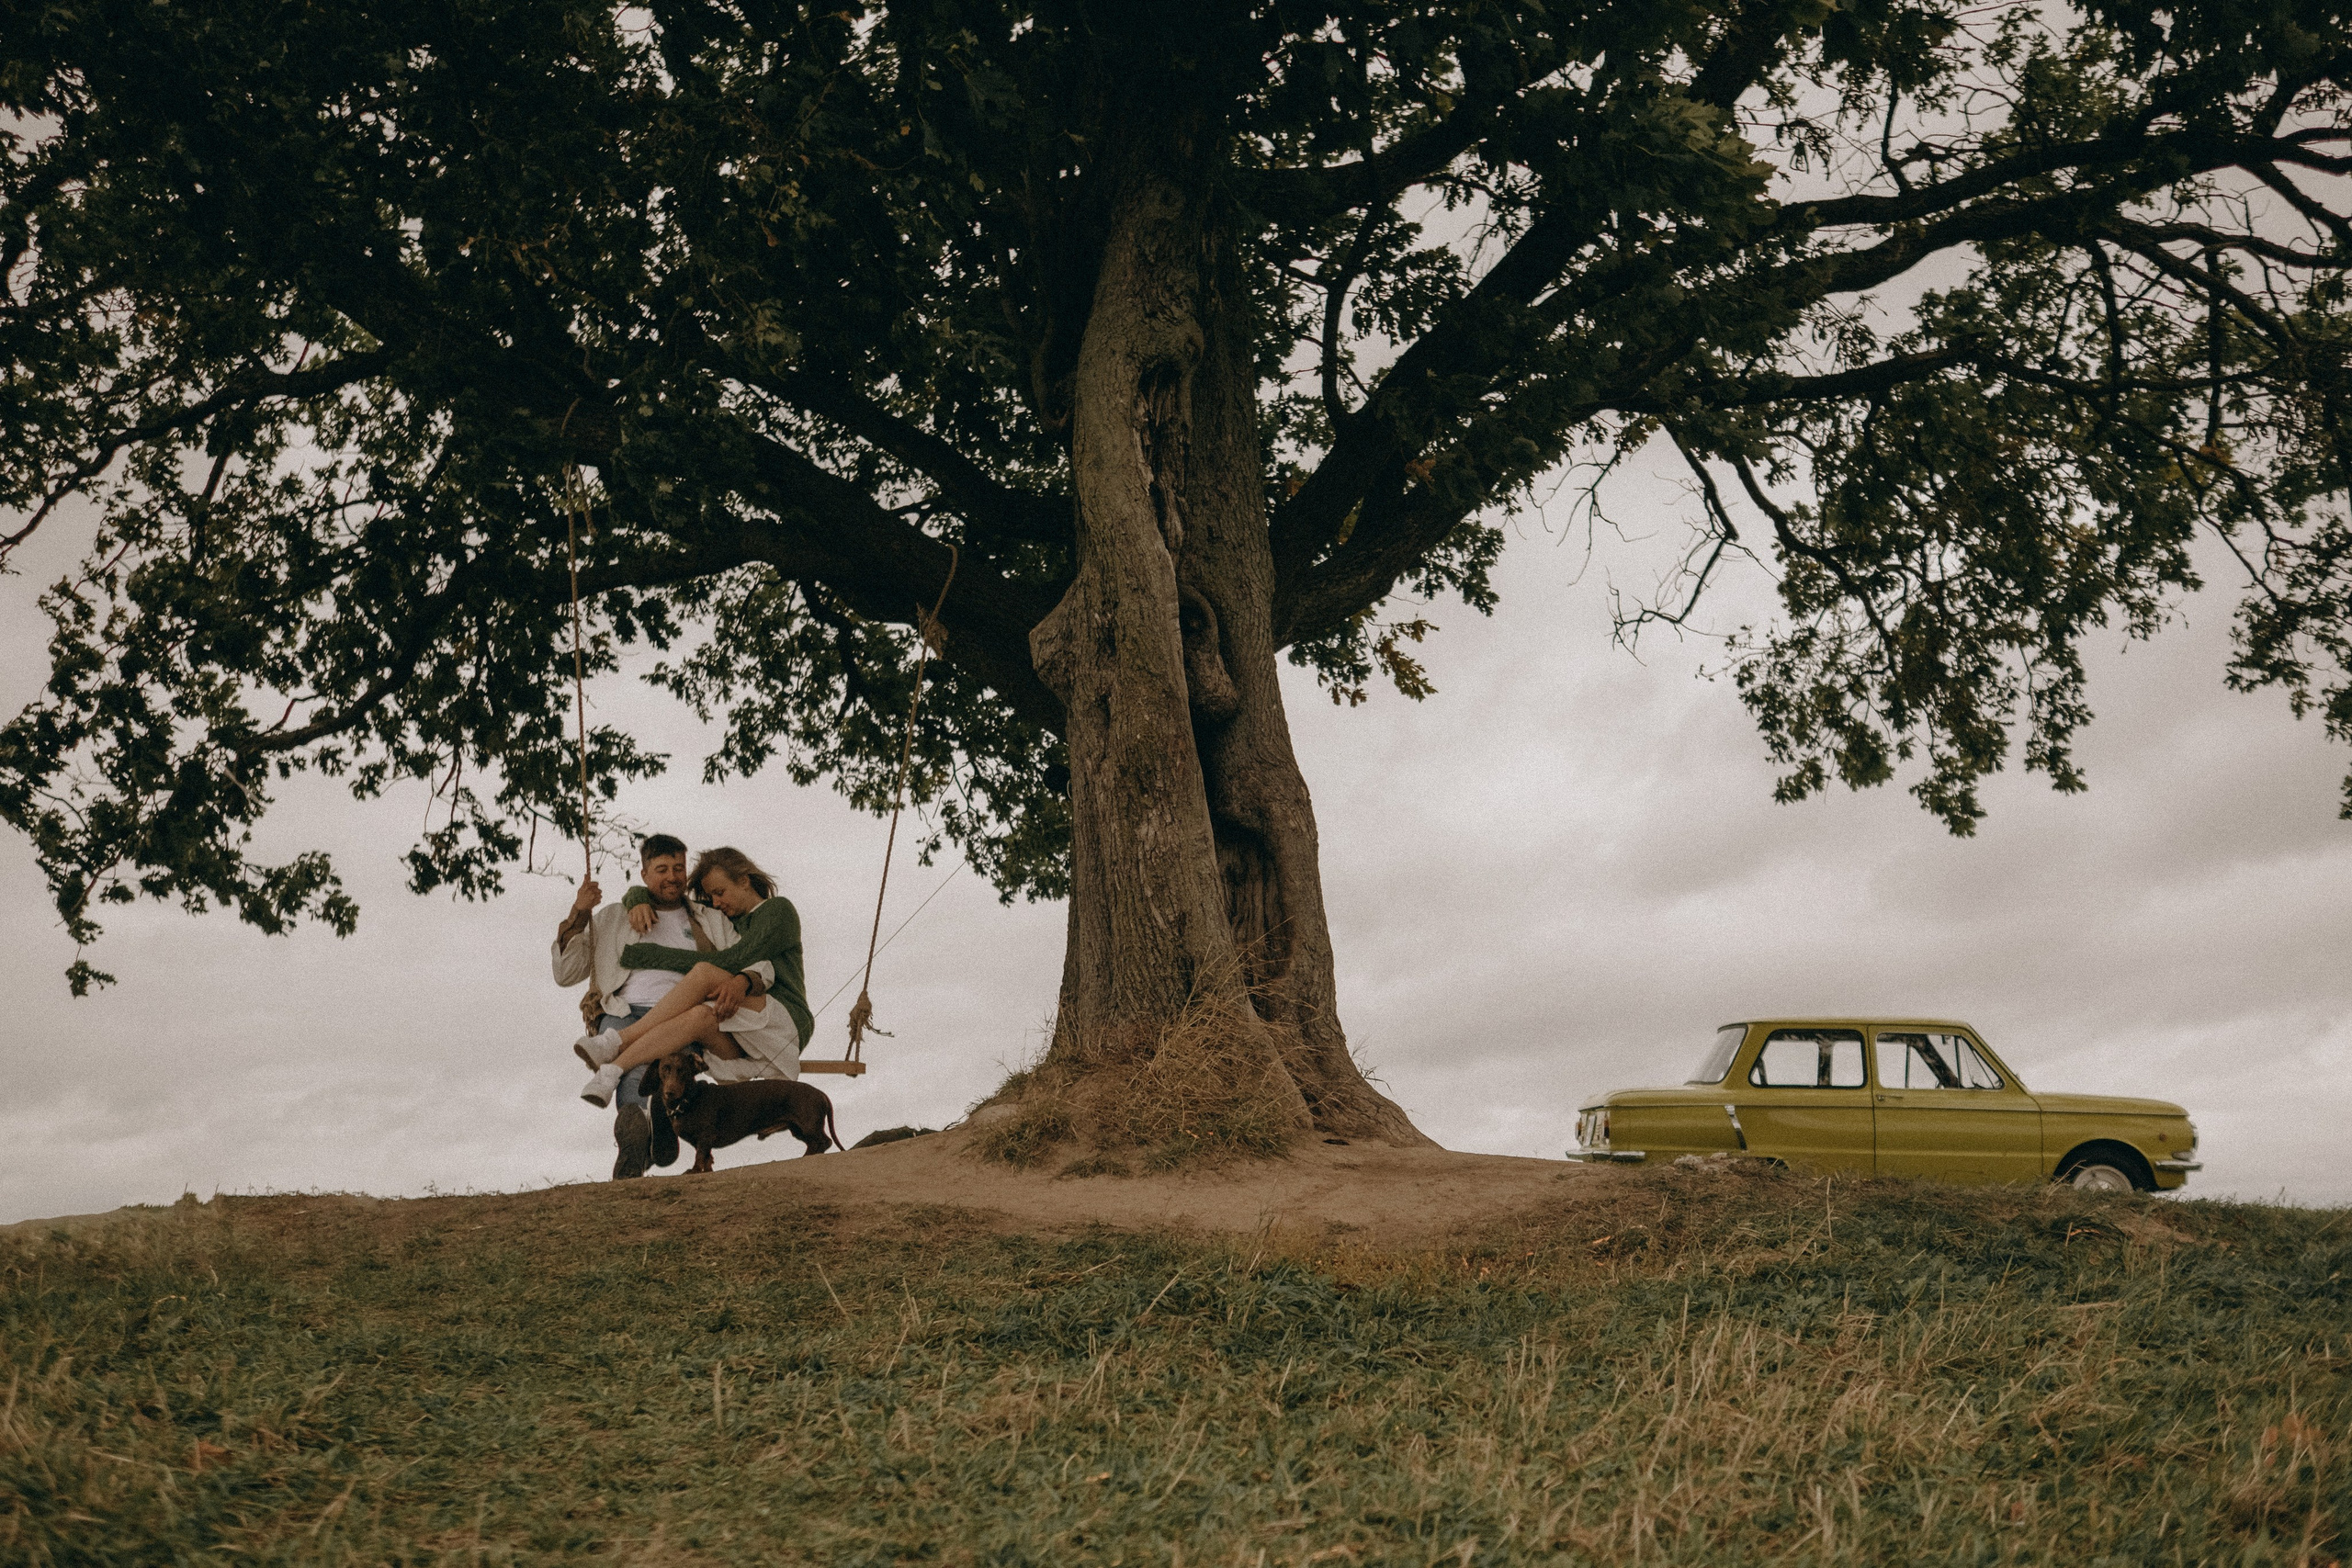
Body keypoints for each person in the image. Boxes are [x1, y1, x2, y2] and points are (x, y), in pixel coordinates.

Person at [552, 834, 775, 1176]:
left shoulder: (709, 919)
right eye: (661, 870)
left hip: (683, 1017)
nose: (672, 877)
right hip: (624, 1011)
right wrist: (580, 912)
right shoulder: (615, 917)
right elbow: (566, 973)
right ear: (644, 875)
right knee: (634, 1073)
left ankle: (642, 1140)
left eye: (678, 868)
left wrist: (743, 981)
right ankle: (642, 1139)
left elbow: (753, 962)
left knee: (661, 1070)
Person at [574, 846, 815, 1108]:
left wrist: (653, 955)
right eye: (710, 896)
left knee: (703, 973)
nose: (715, 902)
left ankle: (615, 1041)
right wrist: (637, 897)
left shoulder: (778, 910)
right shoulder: (725, 917)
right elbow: (672, 899)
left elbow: (735, 960)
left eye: (720, 892)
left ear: (744, 881)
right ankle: (610, 1073)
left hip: (782, 1020)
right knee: (699, 1016)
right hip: (743, 1030)